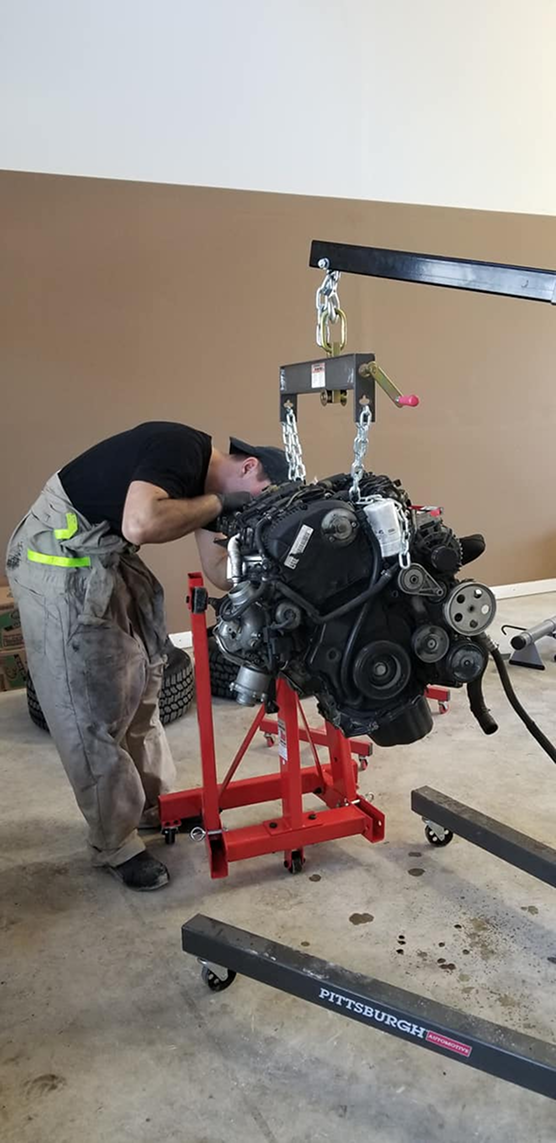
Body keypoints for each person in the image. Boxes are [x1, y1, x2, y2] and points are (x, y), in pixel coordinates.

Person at [6, 423, 288, 891]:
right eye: (260, 495)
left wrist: (275, 570)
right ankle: (114, 843)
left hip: (104, 553)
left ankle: (154, 806)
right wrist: (221, 504)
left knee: (143, 681)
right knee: (87, 707)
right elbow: (140, 523)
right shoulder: (182, 447)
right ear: (249, 466)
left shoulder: (215, 497)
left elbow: (220, 573)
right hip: (59, 556)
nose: (252, 508)